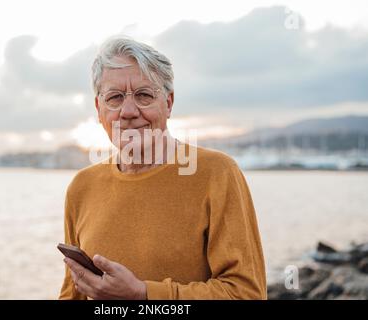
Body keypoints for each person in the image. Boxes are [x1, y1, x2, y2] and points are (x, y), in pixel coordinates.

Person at [59, 37, 267, 300]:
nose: (128, 111)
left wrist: (144, 295)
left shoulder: (217, 173)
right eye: (114, 98)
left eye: (144, 95)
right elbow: (71, 293)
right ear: (99, 109)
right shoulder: (82, 187)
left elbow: (247, 294)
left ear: (168, 103)